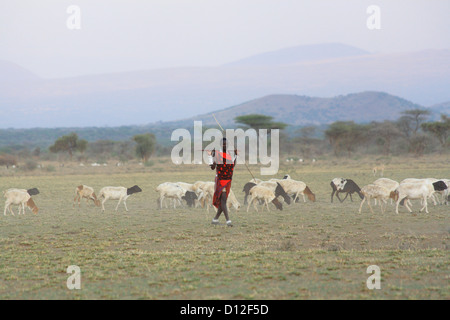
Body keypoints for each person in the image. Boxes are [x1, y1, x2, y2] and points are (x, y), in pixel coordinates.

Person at [207, 138, 237, 227]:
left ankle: (215, 219)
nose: (225, 145)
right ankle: (228, 221)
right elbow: (212, 167)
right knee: (223, 199)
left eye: (226, 144)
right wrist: (210, 156)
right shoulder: (217, 154)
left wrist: (236, 155)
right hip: (220, 180)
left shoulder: (229, 154)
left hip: (228, 179)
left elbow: (232, 165)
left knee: (223, 200)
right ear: (220, 145)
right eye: (223, 144)